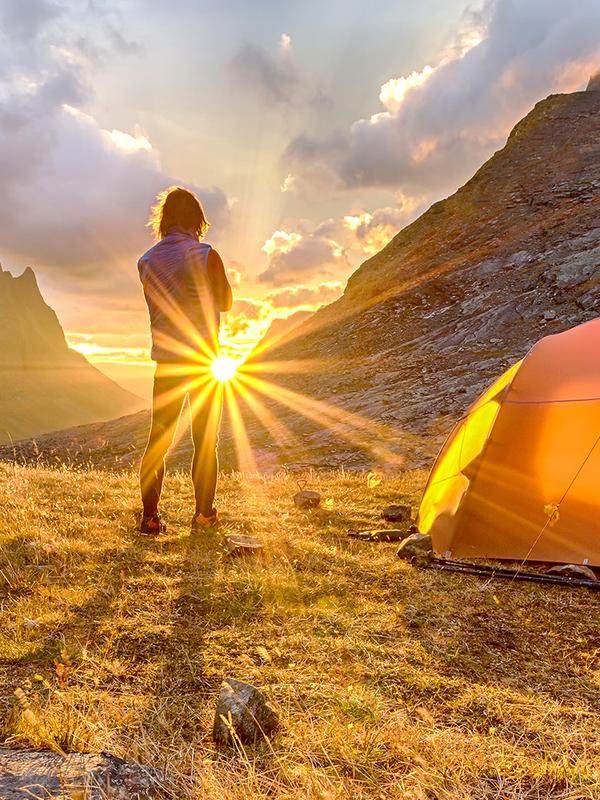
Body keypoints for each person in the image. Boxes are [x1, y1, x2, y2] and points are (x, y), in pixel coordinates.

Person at [137, 186, 232, 535]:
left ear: (164, 220)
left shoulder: (145, 261)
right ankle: (203, 515)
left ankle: (150, 518)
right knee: (206, 440)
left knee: (158, 439)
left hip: (167, 363)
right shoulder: (206, 254)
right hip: (203, 362)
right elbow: (226, 303)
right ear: (197, 220)